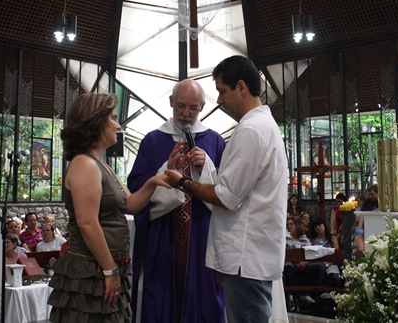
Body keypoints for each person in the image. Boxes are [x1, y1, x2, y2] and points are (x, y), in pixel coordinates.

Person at [164, 56, 288, 323]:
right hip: (247, 257)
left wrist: (181, 182)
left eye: (222, 91)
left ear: (241, 87)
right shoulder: (261, 125)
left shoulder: (252, 130)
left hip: (246, 259)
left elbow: (226, 196)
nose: (219, 100)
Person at [48, 93, 171, 323]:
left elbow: (130, 204)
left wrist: (155, 181)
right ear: (95, 122)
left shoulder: (100, 164)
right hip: (89, 272)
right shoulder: (85, 164)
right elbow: (87, 223)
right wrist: (109, 270)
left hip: (103, 269)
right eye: (113, 118)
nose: (118, 125)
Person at [128, 79, 226, 323]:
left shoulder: (215, 141)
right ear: (171, 101)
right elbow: (136, 188)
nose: (186, 114)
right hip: (163, 236)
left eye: (193, 108)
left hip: (202, 236)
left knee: (204, 299)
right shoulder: (152, 141)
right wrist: (166, 169)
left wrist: (207, 167)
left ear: (202, 107)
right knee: (160, 299)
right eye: (181, 105)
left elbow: (229, 190)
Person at [283, 217, 327, 304]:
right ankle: (289, 295)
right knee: (288, 267)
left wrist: (305, 262)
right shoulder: (285, 237)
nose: (306, 229)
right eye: (304, 226)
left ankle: (306, 294)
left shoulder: (305, 240)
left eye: (307, 227)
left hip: (302, 265)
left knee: (320, 267)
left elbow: (310, 253)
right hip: (289, 264)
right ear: (298, 225)